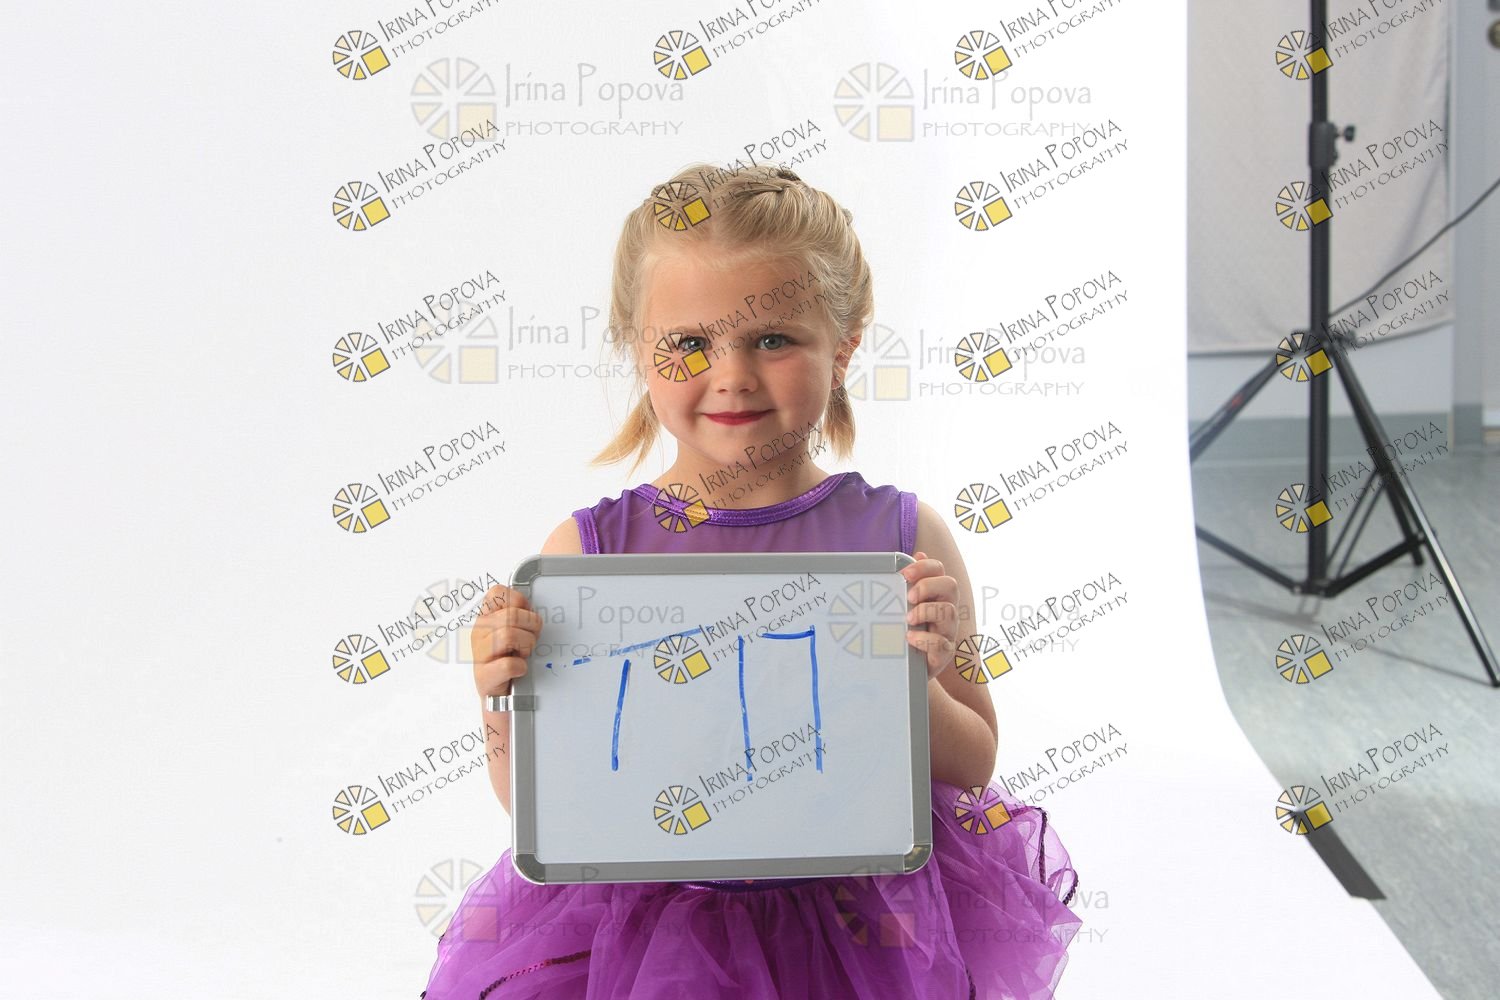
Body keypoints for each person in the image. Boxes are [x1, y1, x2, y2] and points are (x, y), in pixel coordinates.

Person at [420, 163, 1081, 999]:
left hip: (858, 922)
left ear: (843, 348)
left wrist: (909, 680)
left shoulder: (908, 540)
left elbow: (976, 762)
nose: (731, 373)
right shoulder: (588, 554)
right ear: (639, 353)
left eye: (772, 340)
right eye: (689, 344)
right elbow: (544, 808)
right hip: (657, 928)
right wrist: (497, 696)